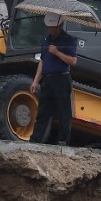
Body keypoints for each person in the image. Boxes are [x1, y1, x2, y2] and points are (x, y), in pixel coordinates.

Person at [29, 12, 78, 145]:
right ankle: (35, 140)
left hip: (61, 79)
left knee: (63, 112)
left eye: (53, 27)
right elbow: (42, 61)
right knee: (43, 111)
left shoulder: (68, 40)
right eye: (49, 27)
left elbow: (73, 61)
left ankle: (63, 141)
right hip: (48, 80)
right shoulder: (46, 40)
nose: (50, 29)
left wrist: (57, 52)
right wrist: (35, 81)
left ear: (59, 26)